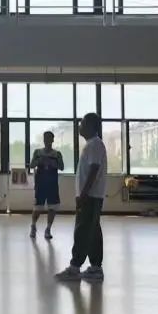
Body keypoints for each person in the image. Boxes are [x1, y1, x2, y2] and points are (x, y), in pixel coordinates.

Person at [54, 113, 107, 282]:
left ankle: (74, 268)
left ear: (91, 126)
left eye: (82, 123)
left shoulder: (95, 144)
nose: (79, 127)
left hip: (90, 196)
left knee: (82, 230)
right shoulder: (93, 144)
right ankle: (95, 268)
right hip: (92, 195)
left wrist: (83, 194)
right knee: (93, 231)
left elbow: (93, 170)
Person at [29, 131, 64, 240]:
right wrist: (40, 161)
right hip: (40, 184)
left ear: (52, 140)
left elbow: (62, 167)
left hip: (52, 184)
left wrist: (53, 163)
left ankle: (48, 229)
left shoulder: (57, 154)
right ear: (43, 140)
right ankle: (33, 226)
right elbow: (31, 165)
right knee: (38, 208)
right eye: (46, 138)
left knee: (52, 208)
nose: (47, 141)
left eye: (49, 138)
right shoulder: (37, 152)